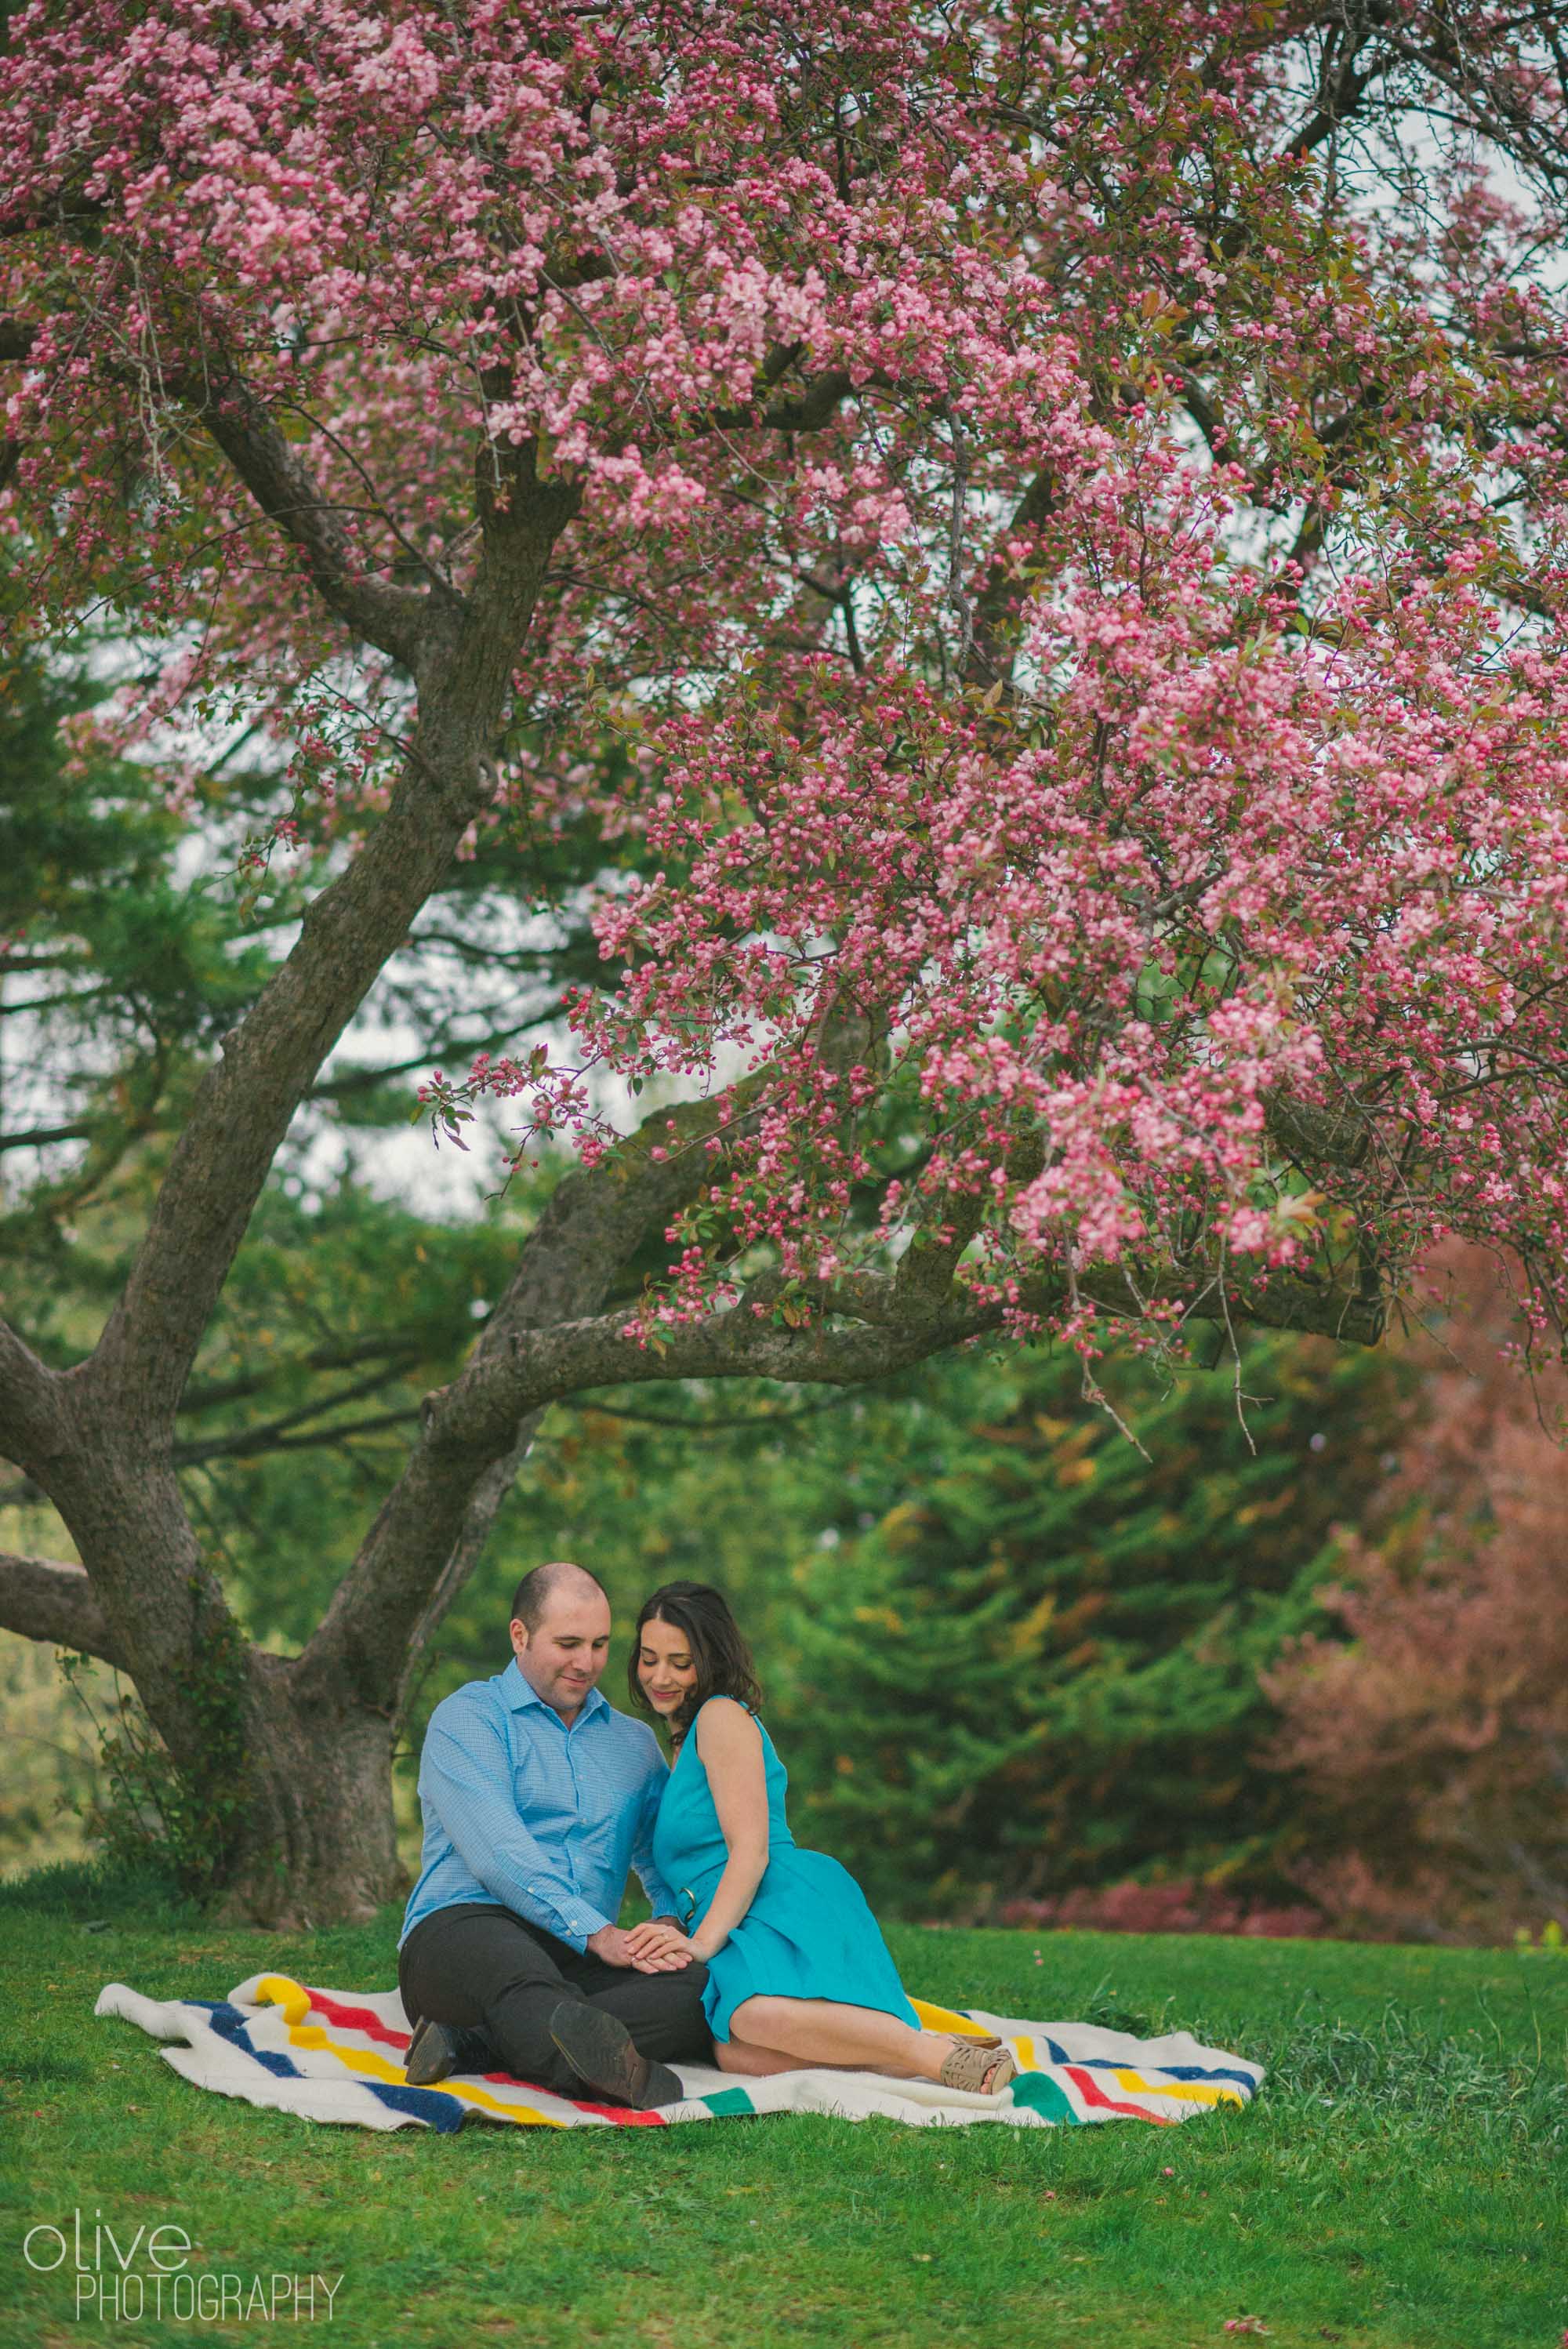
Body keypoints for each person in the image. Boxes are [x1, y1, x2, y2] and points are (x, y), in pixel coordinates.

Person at [619, 1579, 1016, 2097]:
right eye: (649, 1658)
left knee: (753, 2017)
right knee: (736, 2053)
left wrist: (699, 1944)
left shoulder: (720, 1716)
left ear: (710, 1658)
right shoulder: (685, 1739)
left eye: (680, 1661)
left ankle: (929, 2053)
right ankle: (923, 2052)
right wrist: (668, 1923)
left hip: (774, 1900)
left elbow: (750, 1849)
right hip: (739, 1914)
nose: (660, 1676)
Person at [397, 1560, 712, 2110]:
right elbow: (499, 1856)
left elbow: (667, 1854)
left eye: (599, 1645)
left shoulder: (634, 1746)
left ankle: (474, 2046)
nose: (586, 1663)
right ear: (520, 1635)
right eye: (568, 1643)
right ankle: (613, 2071)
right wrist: (598, 1934)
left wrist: (667, 1920)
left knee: (700, 1989)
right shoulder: (468, 1718)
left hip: (573, 1957)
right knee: (514, 1970)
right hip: (462, 1931)